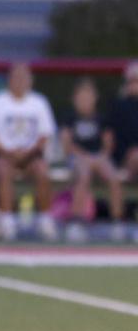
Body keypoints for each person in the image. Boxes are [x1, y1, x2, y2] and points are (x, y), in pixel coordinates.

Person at [0, 62, 58, 240]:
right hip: (4, 155)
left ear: (31, 80)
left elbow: (45, 135)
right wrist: (8, 152)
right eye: (16, 77)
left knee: (42, 170)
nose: (20, 81)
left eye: (24, 77)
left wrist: (27, 152)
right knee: (3, 169)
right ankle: (7, 222)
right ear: (9, 80)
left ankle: (45, 220)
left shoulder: (39, 102)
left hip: (31, 156)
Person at [59, 78, 124, 226]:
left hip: (98, 157)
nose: (85, 100)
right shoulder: (69, 118)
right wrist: (84, 156)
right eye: (81, 96)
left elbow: (108, 143)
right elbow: (67, 144)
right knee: (83, 175)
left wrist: (100, 156)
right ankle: (76, 219)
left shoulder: (101, 119)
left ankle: (117, 220)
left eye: (88, 96)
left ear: (95, 98)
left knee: (114, 177)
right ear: (74, 98)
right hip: (77, 157)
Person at [107, 60, 138, 209]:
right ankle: (117, 223)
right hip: (123, 161)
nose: (135, 85)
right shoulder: (118, 106)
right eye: (132, 81)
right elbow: (111, 139)